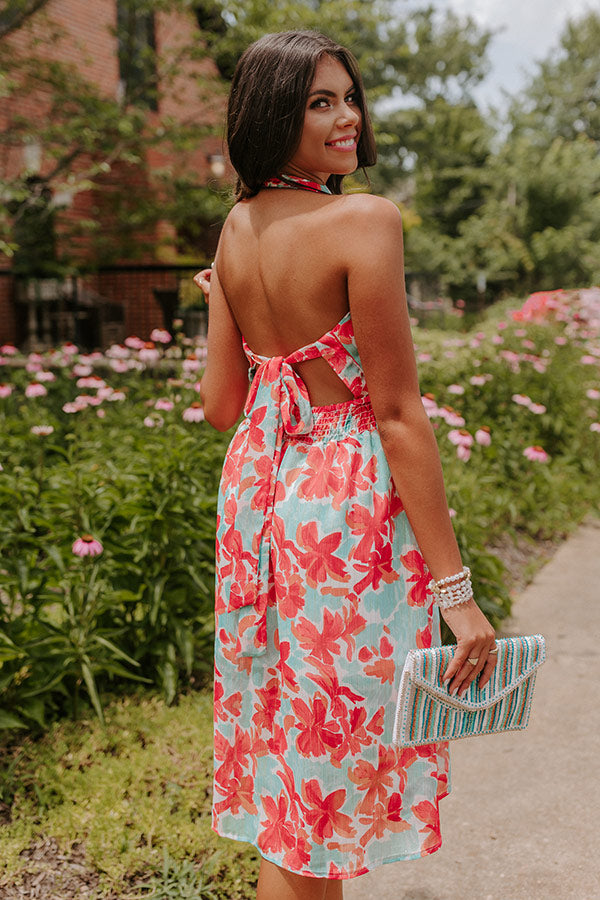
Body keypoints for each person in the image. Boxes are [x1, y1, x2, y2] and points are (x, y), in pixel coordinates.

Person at [198, 30, 496, 900]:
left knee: (295, 774)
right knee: (329, 783)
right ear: (270, 117)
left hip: (260, 499)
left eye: (347, 97)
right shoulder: (362, 220)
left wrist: (222, 303)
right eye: (317, 102)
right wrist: (457, 593)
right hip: (340, 510)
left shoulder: (236, 228)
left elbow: (222, 408)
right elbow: (398, 417)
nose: (346, 118)